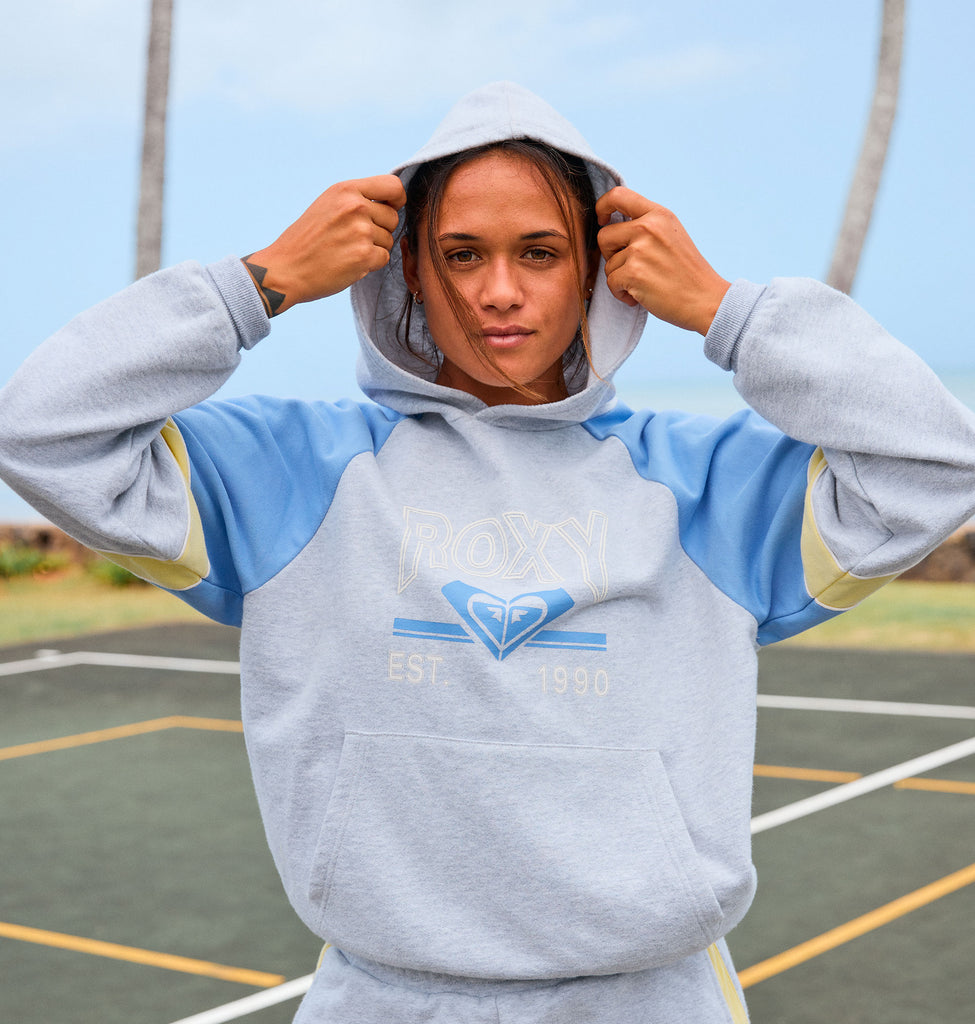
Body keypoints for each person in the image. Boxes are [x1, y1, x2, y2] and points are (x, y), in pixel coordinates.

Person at [1, 81, 973, 1023]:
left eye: (539, 252)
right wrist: (257, 284)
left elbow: (936, 466)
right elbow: (42, 431)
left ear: (596, 269)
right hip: (382, 994)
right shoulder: (291, 471)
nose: (499, 292)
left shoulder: (708, 486)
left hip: (648, 998)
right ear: (408, 272)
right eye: (461, 254)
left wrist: (731, 311)